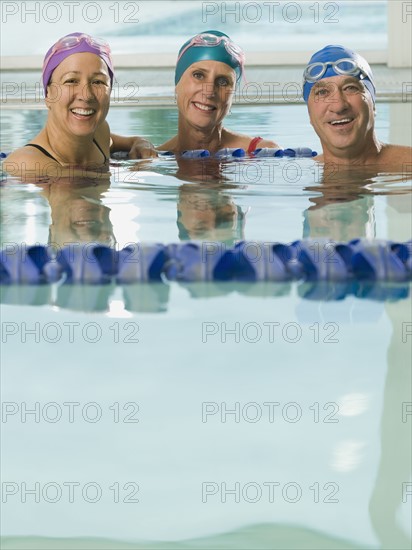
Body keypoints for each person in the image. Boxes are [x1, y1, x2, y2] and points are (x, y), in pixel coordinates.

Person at [3, 33, 156, 181]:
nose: (86, 95)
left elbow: (120, 142)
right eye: (71, 81)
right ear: (48, 94)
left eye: (98, 82)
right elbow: (79, 183)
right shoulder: (24, 163)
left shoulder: (100, 134)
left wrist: (141, 142)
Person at [158, 30, 279, 155]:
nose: (209, 92)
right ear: (177, 83)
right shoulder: (150, 158)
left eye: (223, 82)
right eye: (198, 75)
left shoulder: (263, 152)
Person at [303, 45, 412, 168]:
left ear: (373, 104)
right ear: (310, 114)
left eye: (350, 88)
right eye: (322, 92)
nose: (338, 106)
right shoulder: (295, 169)